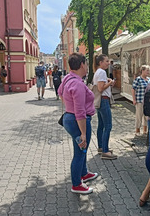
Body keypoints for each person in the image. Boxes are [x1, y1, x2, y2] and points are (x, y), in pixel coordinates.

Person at [58, 53, 98, 194]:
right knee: (80, 152)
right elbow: (80, 111)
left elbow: (59, 92)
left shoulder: (68, 78)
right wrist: (83, 133)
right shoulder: (77, 83)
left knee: (82, 149)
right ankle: (76, 184)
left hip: (70, 118)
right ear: (82, 64)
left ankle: (84, 173)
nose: (87, 67)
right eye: (86, 64)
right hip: (78, 120)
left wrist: (69, 106)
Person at [93, 54, 117, 160]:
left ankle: (101, 147)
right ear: (101, 62)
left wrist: (107, 82)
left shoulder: (97, 72)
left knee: (101, 125)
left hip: (100, 101)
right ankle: (105, 151)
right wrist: (110, 82)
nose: (108, 63)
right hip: (104, 100)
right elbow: (100, 88)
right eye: (106, 61)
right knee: (108, 125)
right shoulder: (102, 72)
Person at [132, 65, 150, 136]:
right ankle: (137, 130)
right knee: (139, 116)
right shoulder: (138, 79)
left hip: (147, 101)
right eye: (147, 70)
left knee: (146, 116)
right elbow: (133, 89)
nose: (148, 72)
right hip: (139, 100)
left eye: (149, 70)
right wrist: (134, 99)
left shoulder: (149, 79)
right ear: (142, 71)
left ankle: (145, 130)